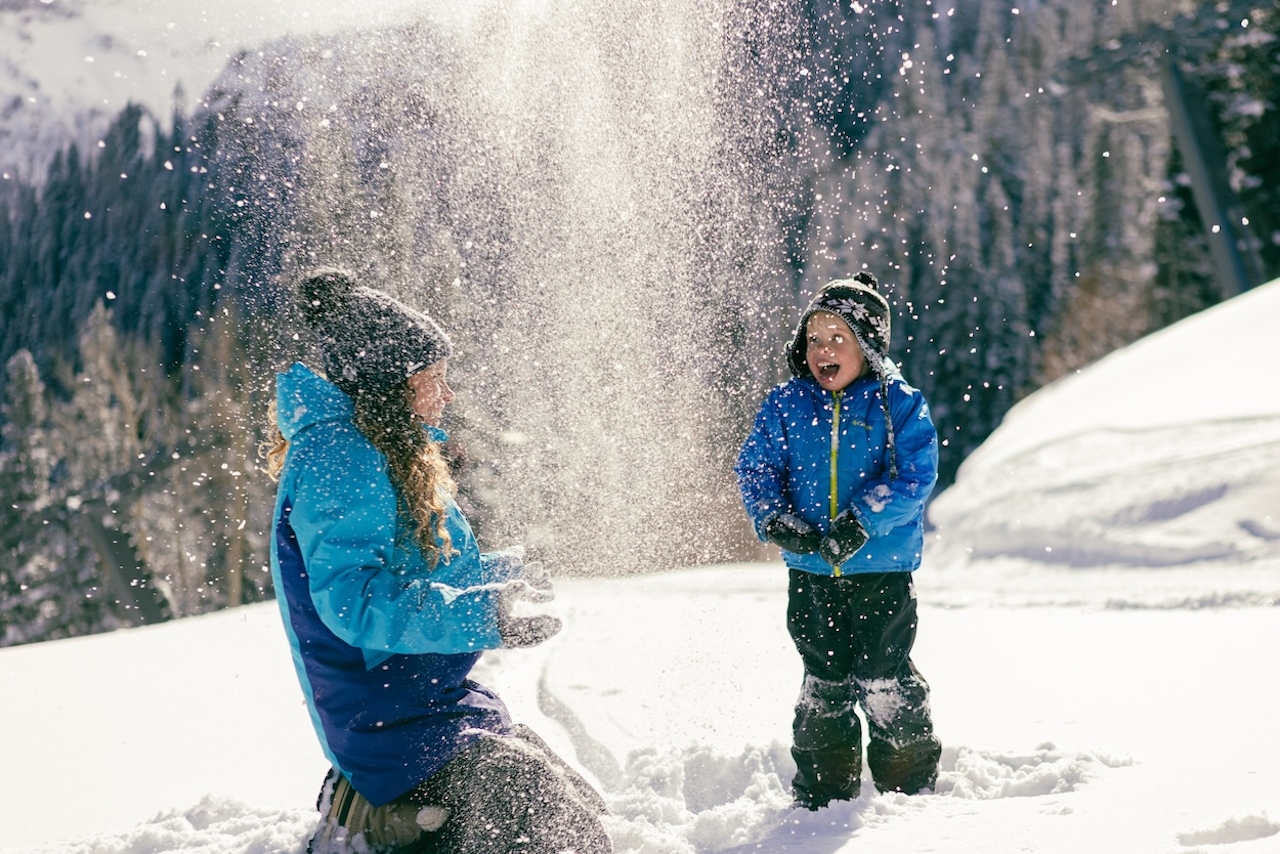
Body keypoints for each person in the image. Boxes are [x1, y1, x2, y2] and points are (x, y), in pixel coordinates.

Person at [263, 268, 611, 854]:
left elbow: (422, 569)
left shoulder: (375, 443)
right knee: (551, 826)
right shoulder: (342, 455)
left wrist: (505, 573)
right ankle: (380, 817)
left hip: (426, 697)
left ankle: (394, 815)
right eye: (435, 379)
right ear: (390, 384)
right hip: (382, 715)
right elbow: (355, 600)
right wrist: (482, 614)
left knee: (575, 807)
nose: (447, 395)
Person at [734, 271, 942, 810]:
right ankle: (824, 792)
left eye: (838, 338)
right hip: (811, 573)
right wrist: (774, 518)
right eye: (814, 339)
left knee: (882, 676)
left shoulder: (898, 404)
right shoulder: (786, 404)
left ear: (867, 345)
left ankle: (908, 786)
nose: (823, 350)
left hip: (880, 571)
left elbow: (915, 477)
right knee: (823, 681)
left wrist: (862, 520)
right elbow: (756, 469)